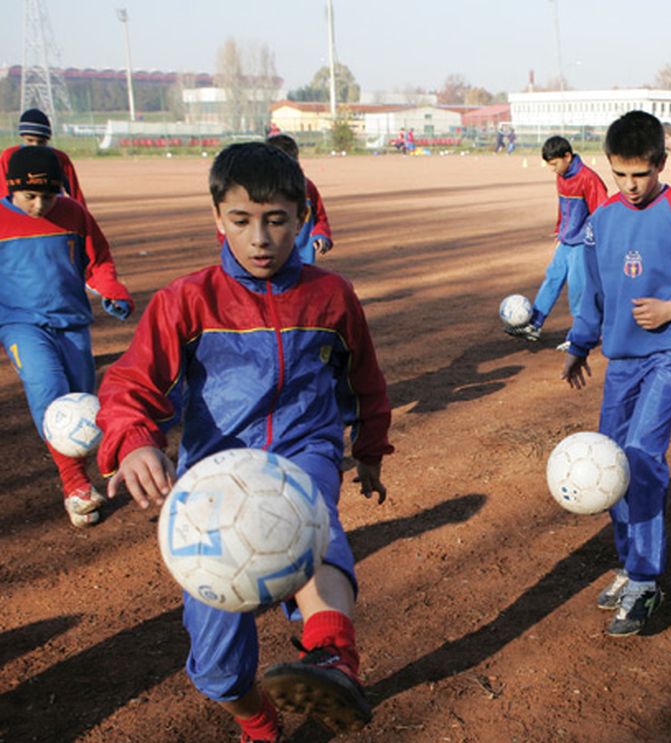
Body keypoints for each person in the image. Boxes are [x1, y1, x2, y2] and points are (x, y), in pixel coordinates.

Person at [96, 142, 393, 741]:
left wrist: (368, 451)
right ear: (218, 219)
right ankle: (256, 719)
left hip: (304, 447)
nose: (260, 238)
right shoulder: (188, 300)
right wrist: (132, 441)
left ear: (302, 219)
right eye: (242, 221)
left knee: (308, 517)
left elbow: (364, 380)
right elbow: (130, 382)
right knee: (218, 665)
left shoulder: (331, 296)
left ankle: (334, 653)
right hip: (214, 479)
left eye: (277, 220)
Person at [561, 111, 671, 636]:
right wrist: (579, 343)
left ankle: (644, 578)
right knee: (610, 463)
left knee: (640, 455)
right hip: (622, 360)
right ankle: (627, 561)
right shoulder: (601, 223)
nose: (630, 186)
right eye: (620, 174)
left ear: (660, 165)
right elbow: (593, 296)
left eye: (640, 174)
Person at [0, 146, 133, 527]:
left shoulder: (75, 214)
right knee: (49, 389)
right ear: (12, 188)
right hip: (20, 325)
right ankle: (75, 486)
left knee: (83, 402)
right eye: (30, 196)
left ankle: (95, 465)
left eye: (49, 194)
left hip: (72, 323)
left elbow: (98, 261)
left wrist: (112, 291)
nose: (40, 205)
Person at [505, 136, 608, 343]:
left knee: (578, 287)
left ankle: (580, 334)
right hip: (567, 239)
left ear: (567, 156)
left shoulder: (588, 178)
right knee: (552, 277)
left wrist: (596, 242)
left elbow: (602, 213)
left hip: (583, 242)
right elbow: (563, 205)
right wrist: (560, 228)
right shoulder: (561, 176)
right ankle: (534, 324)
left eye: (554, 164)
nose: (553, 169)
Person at [266, 134, 334, 265]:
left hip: (303, 262)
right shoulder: (260, 191)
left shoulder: (307, 187)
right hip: (272, 261)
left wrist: (321, 234)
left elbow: (320, 218)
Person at [0, 108, 87, 207]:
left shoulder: (59, 157)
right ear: (23, 137)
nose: (35, 145)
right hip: (20, 210)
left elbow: (74, 190)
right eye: (30, 140)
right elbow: (3, 190)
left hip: (52, 209)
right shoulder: (9, 156)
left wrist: (82, 215)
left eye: (41, 142)